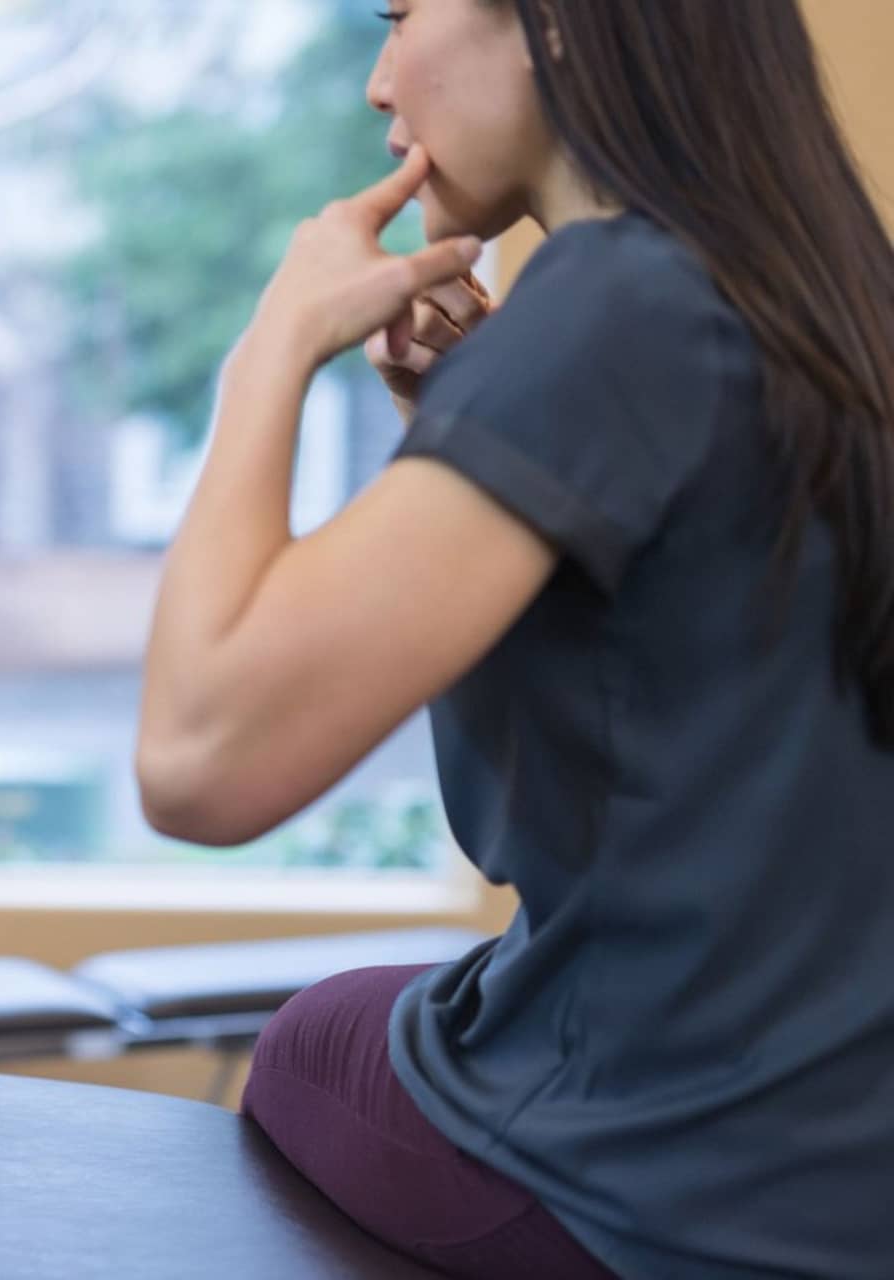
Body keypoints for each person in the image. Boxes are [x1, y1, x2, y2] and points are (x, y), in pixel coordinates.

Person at [135, 2, 894, 1275]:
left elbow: (195, 761)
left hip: (661, 1187)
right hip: (849, 1178)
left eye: (399, 16)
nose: (378, 83)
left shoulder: (611, 301)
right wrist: (469, 413)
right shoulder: (831, 300)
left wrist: (271, 347)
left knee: (310, 1035)